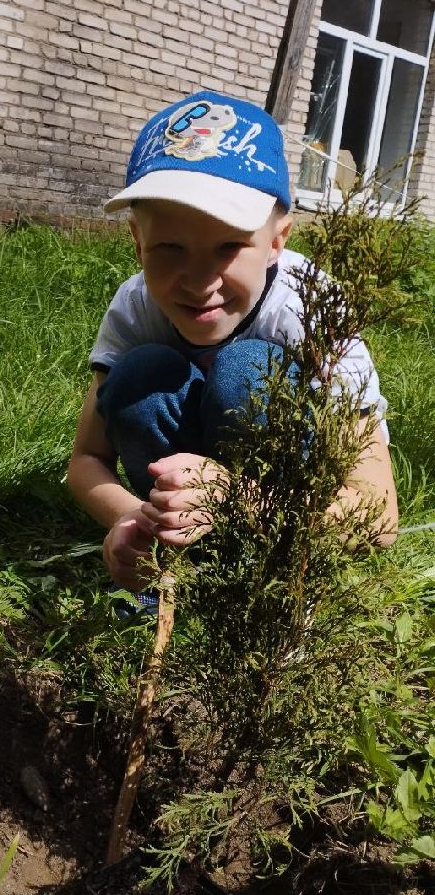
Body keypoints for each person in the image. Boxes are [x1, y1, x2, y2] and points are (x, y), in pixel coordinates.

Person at [67, 90, 398, 595]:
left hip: (280, 505)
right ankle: (170, 555)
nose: (199, 282)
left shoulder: (312, 311)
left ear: (278, 240)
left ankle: (253, 568)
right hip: (173, 494)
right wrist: (132, 519)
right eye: (169, 247)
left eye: (228, 247)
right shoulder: (135, 306)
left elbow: (379, 513)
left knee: (247, 369)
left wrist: (233, 502)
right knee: (139, 377)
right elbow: (86, 460)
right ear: (138, 243)